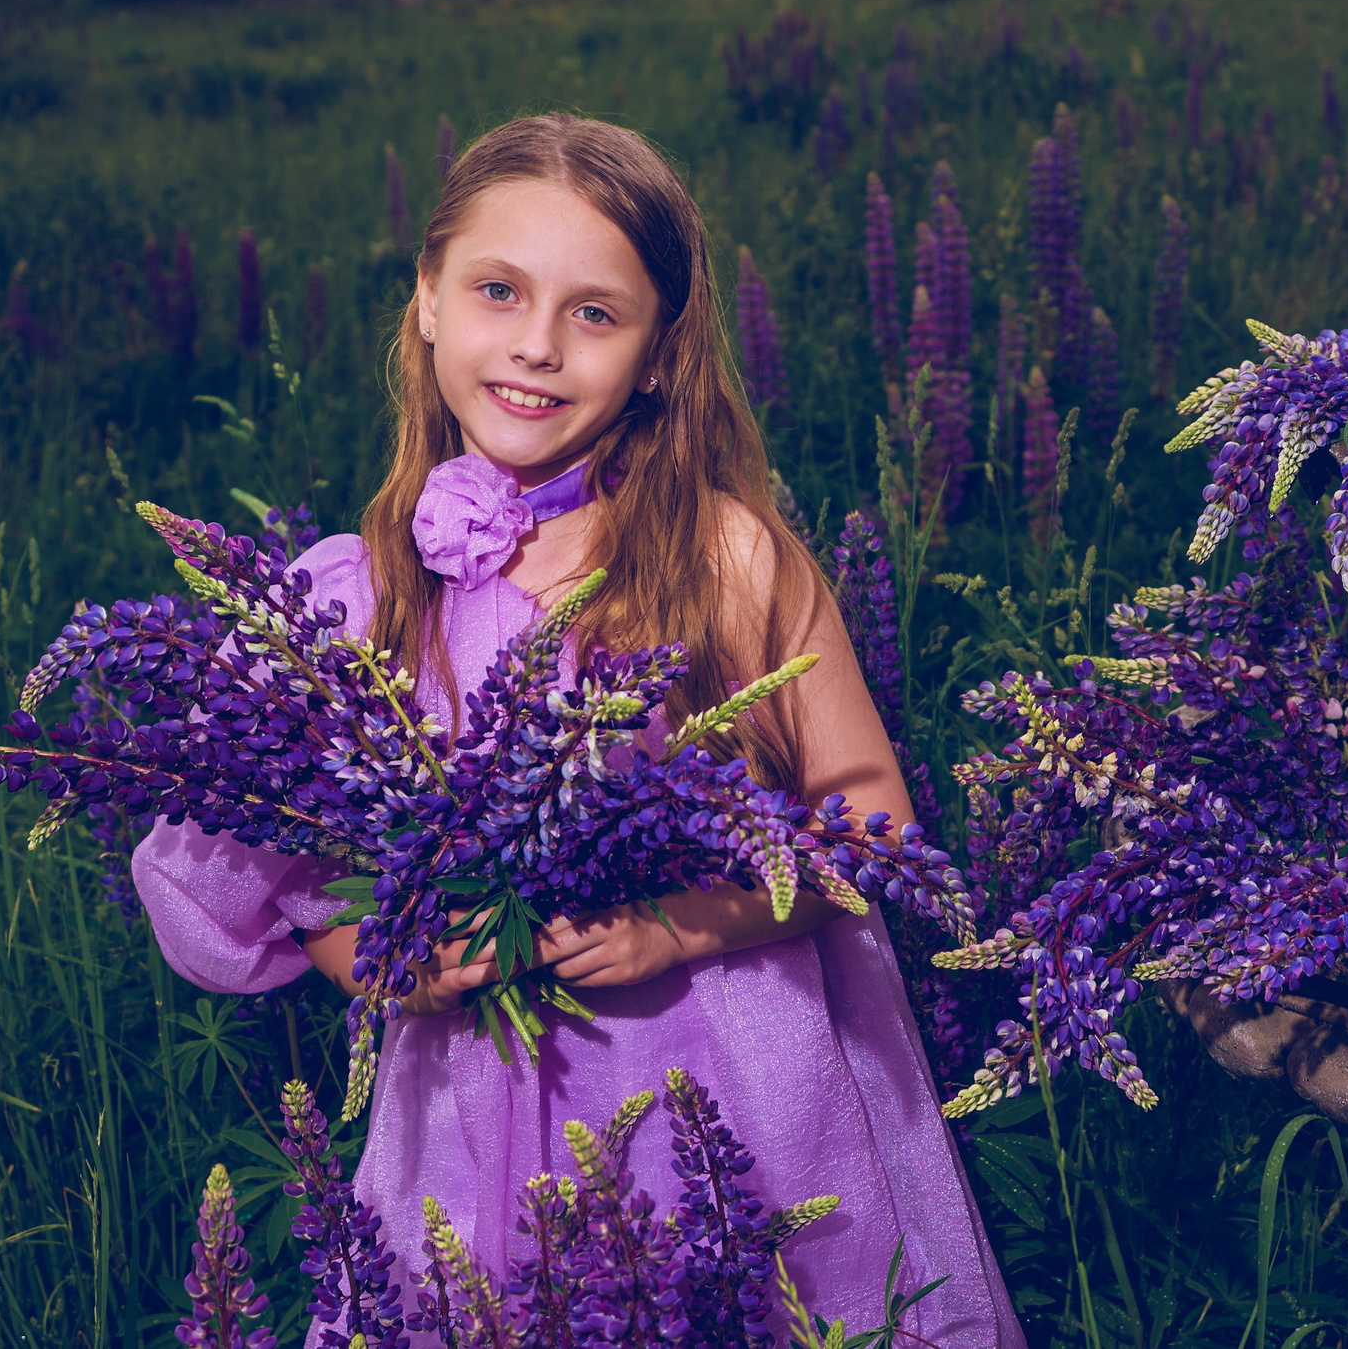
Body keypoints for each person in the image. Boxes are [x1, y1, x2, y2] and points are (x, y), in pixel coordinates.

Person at [132, 114, 1023, 1345]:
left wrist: (683, 922)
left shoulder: (725, 557)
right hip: (468, 1108)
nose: (537, 345)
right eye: (498, 290)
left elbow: (871, 815)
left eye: (595, 313)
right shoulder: (353, 597)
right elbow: (285, 858)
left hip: (727, 1102)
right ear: (427, 299)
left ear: (659, 354)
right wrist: (375, 956)